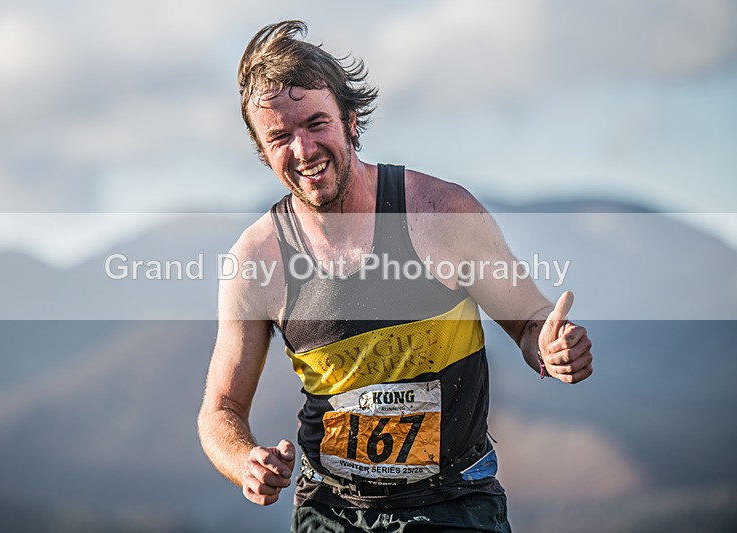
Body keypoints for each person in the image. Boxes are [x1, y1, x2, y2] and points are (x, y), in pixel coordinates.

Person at [198, 20, 593, 532]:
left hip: (454, 503)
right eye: (280, 137)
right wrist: (244, 462)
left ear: (350, 121)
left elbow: (527, 321)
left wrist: (551, 348)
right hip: (330, 510)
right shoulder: (255, 261)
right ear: (262, 149)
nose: (304, 150)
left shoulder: (440, 214)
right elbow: (221, 409)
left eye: (316, 124)